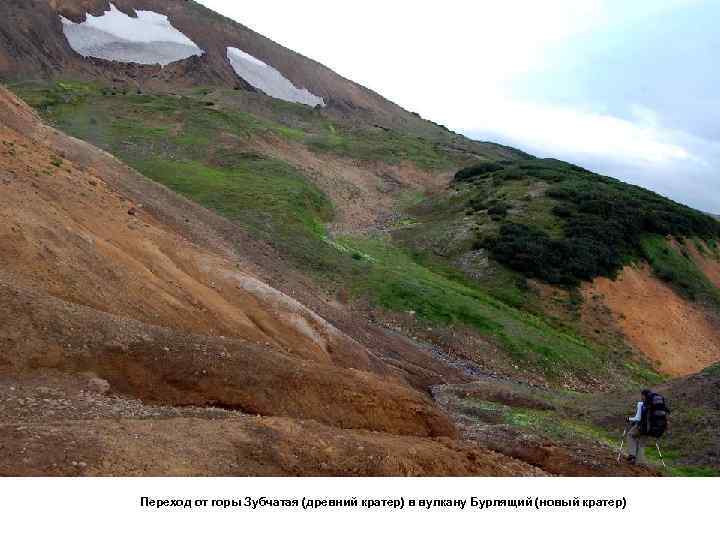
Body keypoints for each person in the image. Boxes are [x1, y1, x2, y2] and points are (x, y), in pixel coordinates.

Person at [625, 389, 651, 464]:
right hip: (650, 428)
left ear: (643, 395)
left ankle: (632, 456)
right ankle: (639, 463)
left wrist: (629, 419)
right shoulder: (652, 404)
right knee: (641, 444)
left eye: (642, 395)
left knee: (630, 435)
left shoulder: (641, 404)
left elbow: (638, 418)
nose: (641, 397)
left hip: (641, 426)